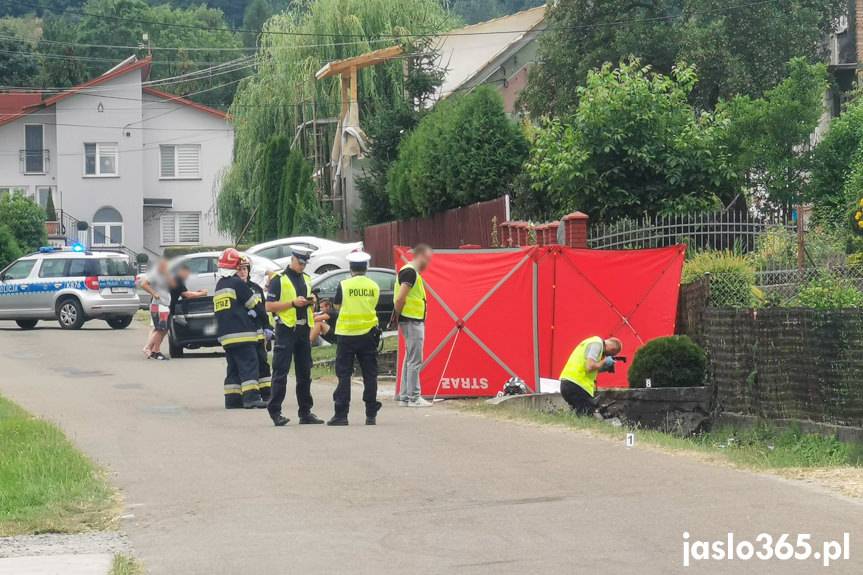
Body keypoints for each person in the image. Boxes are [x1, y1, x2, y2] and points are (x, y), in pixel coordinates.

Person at [265, 247, 323, 426]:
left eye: (305, 264)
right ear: (292, 259)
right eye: (300, 263)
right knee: (280, 372)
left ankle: (305, 412)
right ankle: (275, 412)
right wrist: (292, 303)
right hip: (286, 329)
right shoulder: (279, 280)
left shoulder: (306, 278)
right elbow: (268, 306)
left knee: (304, 373)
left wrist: (312, 300)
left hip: (303, 329)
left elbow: (312, 303)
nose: (302, 267)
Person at [328, 251, 382, 426]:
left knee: (344, 374)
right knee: (370, 374)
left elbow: (337, 305)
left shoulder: (344, 285)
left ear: (350, 268)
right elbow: (373, 304)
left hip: (346, 335)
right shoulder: (374, 285)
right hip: (368, 335)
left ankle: (341, 415)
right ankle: (371, 414)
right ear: (366, 267)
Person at [214, 248, 267, 410]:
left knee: (234, 368)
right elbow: (255, 305)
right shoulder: (237, 283)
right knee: (249, 364)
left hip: (226, 336)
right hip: (243, 334)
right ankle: (251, 398)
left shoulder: (220, 285)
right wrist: (265, 322)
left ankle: (232, 399)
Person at [390, 244, 433, 407]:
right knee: (415, 360)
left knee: (410, 358)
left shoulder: (410, 272)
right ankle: (414, 397)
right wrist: (399, 314)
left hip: (409, 319)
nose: (428, 263)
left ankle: (405, 396)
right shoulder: (410, 272)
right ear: (420, 256)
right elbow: (400, 298)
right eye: (428, 259)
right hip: (412, 320)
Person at [238, 256, 274, 402]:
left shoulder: (256, 288)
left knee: (263, 364)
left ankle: (267, 394)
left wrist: (267, 327)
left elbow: (262, 309)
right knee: (249, 366)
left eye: (245, 269)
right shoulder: (235, 287)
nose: (242, 272)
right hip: (245, 334)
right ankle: (249, 395)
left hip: (259, 334)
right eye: (239, 269)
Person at [559, 336, 623, 415]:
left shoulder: (591, 342)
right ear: (612, 349)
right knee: (586, 416)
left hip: (568, 383)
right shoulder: (597, 344)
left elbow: (589, 368)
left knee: (580, 414)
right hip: (578, 385)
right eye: (610, 354)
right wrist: (604, 361)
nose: (606, 356)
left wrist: (604, 368)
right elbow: (589, 367)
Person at [140, 259, 173, 360]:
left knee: (161, 329)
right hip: (158, 305)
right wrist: (154, 293)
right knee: (160, 328)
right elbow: (143, 284)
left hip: (163, 305)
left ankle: (155, 350)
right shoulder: (155, 275)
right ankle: (149, 348)